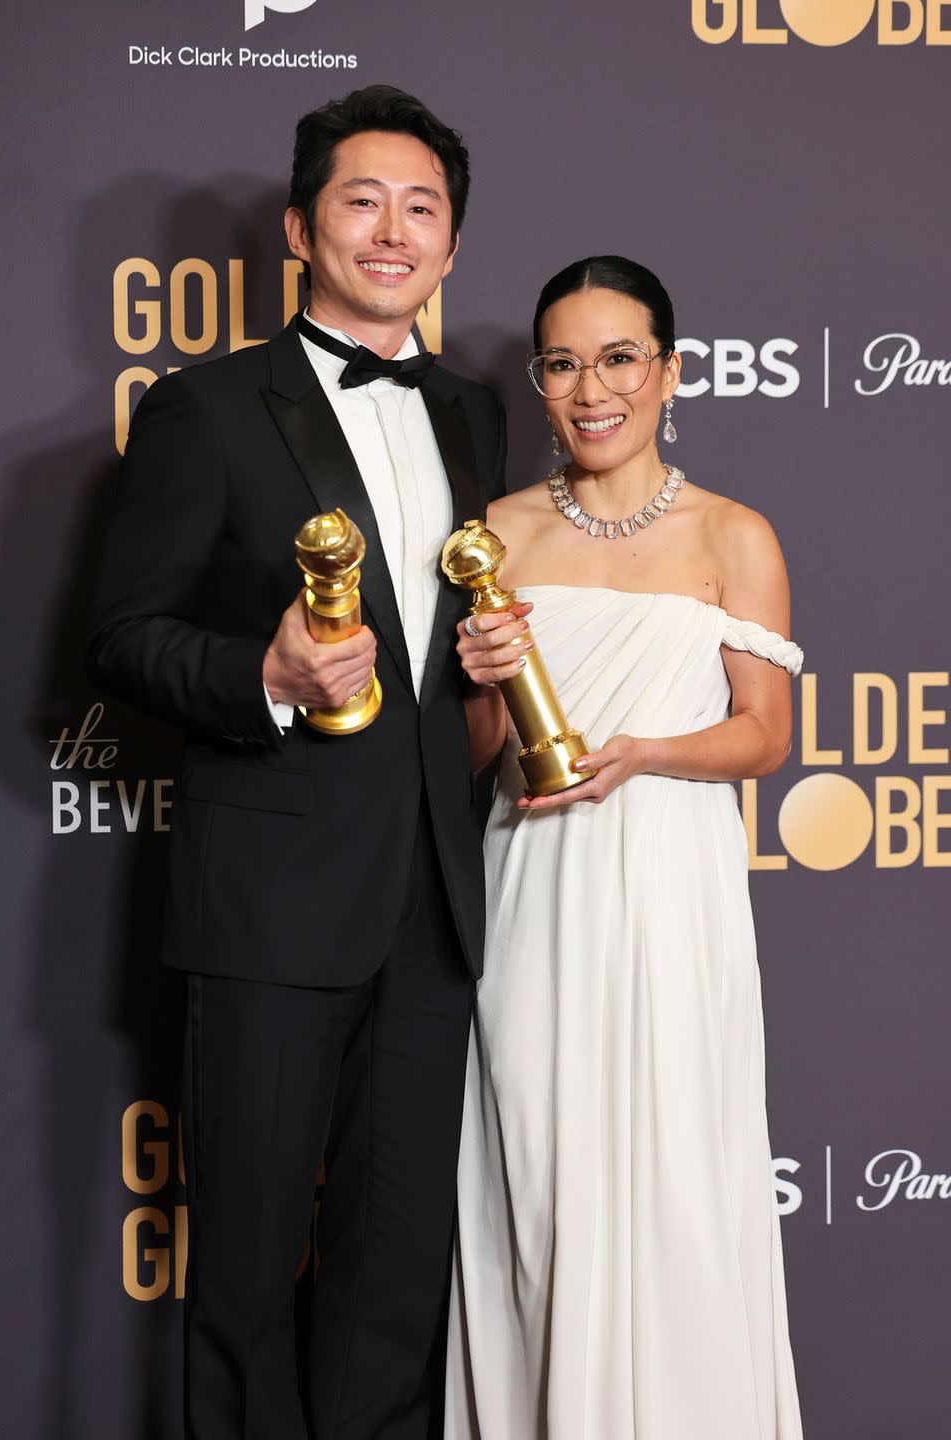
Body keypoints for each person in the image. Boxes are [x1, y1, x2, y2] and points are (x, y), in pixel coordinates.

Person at [87, 86, 507, 1440]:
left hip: (434, 908)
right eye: (362, 200)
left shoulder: (475, 417)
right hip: (271, 903)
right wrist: (260, 678)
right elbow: (123, 639)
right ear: (299, 227)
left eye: (423, 208)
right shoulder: (205, 410)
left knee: (396, 1278)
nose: (394, 231)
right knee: (251, 1279)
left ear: (451, 246)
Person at [444, 256, 804, 1439]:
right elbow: (482, 751)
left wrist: (643, 753)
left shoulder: (732, 535)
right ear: (539, 382)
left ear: (668, 372)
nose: (590, 388)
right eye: (561, 362)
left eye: (618, 358)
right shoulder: (495, 535)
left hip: (669, 898)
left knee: (676, 1188)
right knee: (540, 1188)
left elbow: (764, 736)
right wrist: (485, 684)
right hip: (532, 894)